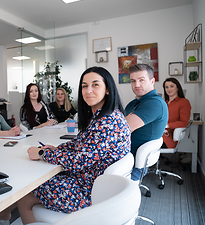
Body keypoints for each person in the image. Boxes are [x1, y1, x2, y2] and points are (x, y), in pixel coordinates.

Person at [17, 67, 131, 224]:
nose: (88, 90)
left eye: (95, 84)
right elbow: (81, 143)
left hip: (86, 193)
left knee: (26, 186)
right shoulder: (106, 116)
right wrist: (57, 149)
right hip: (91, 183)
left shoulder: (107, 122)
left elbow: (80, 161)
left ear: (107, 90)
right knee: (28, 192)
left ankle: (2, 217)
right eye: (84, 86)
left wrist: (43, 154)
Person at [124, 64, 168, 181]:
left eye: (141, 80)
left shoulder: (154, 103)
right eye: (133, 81)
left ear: (152, 81)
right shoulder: (134, 103)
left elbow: (120, 129)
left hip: (129, 161)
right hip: (122, 155)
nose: (136, 85)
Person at [162, 77, 191, 148]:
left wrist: (167, 125)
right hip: (158, 133)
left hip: (168, 137)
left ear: (177, 88)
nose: (169, 89)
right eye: (166, 87)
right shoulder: (163, 103)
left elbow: (184, 123)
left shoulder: (183, 102)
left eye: (171, 86)